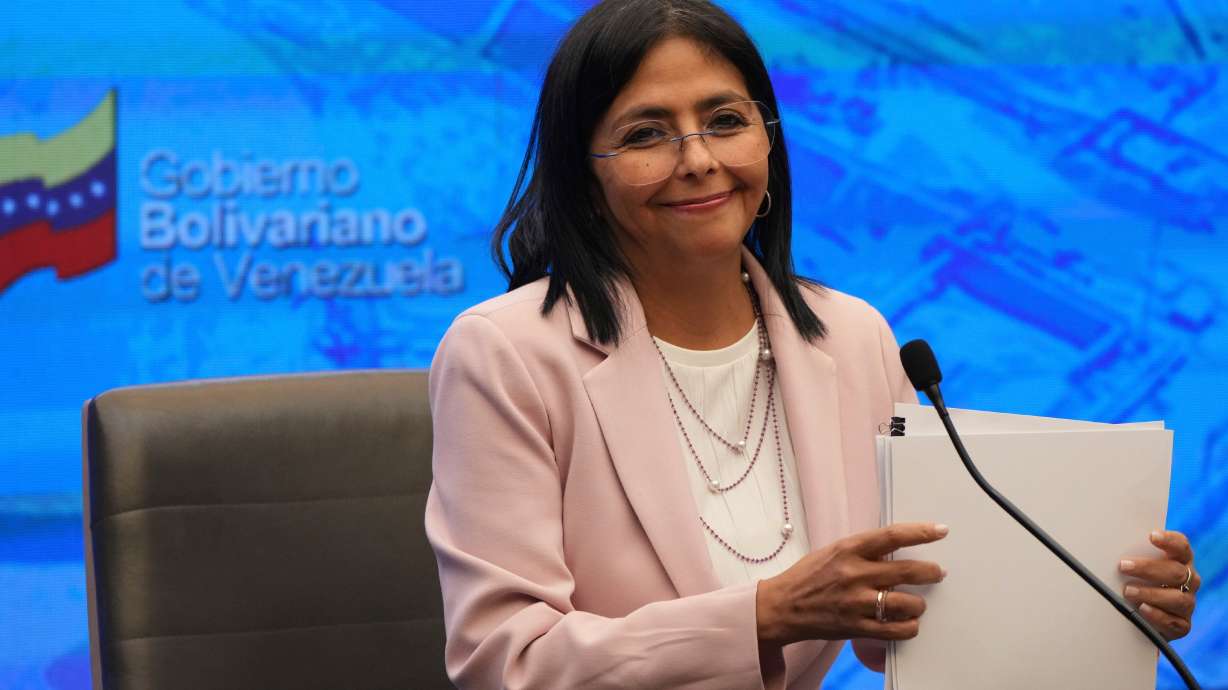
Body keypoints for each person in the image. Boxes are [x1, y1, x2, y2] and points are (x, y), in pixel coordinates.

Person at [423, 1, 1201, 688]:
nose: (698, 160)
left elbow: (895, 625)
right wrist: (763, 615)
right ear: (584, 175)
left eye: (725, 121)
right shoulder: (506, 354)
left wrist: (1108, 600)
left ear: (769, 140)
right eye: (646, 134)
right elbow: (506, 661)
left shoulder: (853, 335)